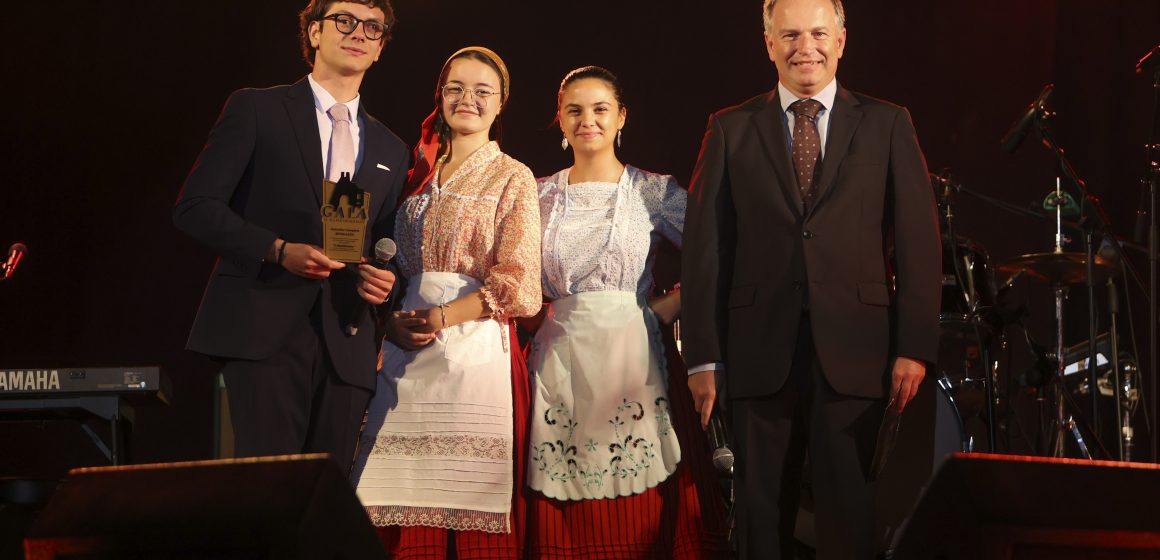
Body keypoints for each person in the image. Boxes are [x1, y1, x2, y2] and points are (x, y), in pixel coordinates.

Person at [681, 0, 942, 557]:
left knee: (849, 519)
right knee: (759, 523)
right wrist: (703, 357)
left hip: (856, 351)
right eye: (791, 35)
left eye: (819, 34)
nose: (806, 48)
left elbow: (919, 242)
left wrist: (914, 346)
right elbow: (706, 252)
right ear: (769, 44)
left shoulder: (888, 123)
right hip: (757, 352)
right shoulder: (729, 128)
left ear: (841, 40)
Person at [173, 0, 408, 474]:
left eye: (373, 27)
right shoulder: (257, 108)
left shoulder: (391, 147)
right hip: (265, 329)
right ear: (314, 32)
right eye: (344, 21)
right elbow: (195, 207)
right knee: (268, 490)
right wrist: (276, 250)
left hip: (347, 341)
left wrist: (386, 284)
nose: (358, 33)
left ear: (381, 47)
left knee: (327, 495)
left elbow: (386, 248)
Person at [525, 66, 729, 559]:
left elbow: (718, 254)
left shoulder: (653, 191)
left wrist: (666, 306)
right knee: (563, 517)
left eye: (600, 109)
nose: (587, 120)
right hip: (556, 365)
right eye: (574, 110)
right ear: (560, 119)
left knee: (646, 516)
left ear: (621, 117)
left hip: (636, 363)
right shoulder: (536, 194)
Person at [350, 46, 541, 559]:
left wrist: (441, 316)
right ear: (439, 96)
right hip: (403, 347)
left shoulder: (512, 175)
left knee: (468, 497)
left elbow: (520, 282)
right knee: (389, 493)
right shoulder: (412, 175)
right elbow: (388, 265)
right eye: (456, 88)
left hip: (476, 345)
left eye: (482, 91)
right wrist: (389, 322)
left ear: (501, 103)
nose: (467, 99)